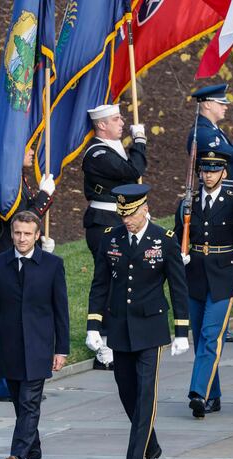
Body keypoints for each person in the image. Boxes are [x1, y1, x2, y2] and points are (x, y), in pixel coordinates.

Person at [86, 184, 190, 459]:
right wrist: (94, 325)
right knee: (127, 392)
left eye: (130, 214)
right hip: (119, 327)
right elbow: (100, 285)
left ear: (144, 208)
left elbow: (178, 287)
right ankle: (152, 446)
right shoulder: (111, 239)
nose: (126, 220)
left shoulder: (164, 240)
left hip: (151, 328)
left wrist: (181, 330)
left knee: (146, 395)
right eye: (122, 214)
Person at [0, 210, 69, 459]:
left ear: (38, 236)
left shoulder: (52, 265)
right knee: (20, 404)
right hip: (11, 347)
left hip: (39, 348)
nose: (22, 238)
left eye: (28, 234)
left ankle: (18, 456)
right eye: (17, 233)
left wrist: (61, 349)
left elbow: (61, 310)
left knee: (29, 403)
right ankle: (35, 456)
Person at [175, 150, 233, 419]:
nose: (208, 175)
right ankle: (213, 394)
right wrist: (178, 253)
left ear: (224, 173)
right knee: (201, 337)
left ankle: (198, 392)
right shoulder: (188, 202)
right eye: (204, 170)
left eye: (214, 170)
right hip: (194, 276)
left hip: (224, 277)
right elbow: (177, 235)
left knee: (210, 335)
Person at [81, 104, 147, 370]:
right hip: (104, 224)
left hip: (121, 221)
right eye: (116, 119)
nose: (122, 122)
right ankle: (102, 344)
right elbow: (132, 171)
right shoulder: (97, 153)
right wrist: (140, 142)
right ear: (101, 126)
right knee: (107, 282)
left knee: (124, 281)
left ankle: (119, 338)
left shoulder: (113, 147)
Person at [188, 83, 233, 344]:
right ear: (207, 104)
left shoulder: (212, 130)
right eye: (221, 102)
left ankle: (218, 324)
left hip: (223, 198)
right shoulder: (204, 134)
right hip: (215, 199)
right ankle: (215, 327)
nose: (225, 106)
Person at [0, 147, 55, 402]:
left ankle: (27, 382)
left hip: (26, 253)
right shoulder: (9, 184)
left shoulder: (18, 180)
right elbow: (20, 220)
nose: (31, 153)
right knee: (11, 322)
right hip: (10, 256)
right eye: (26, 148)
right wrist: (43, 197)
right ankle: (8, 384)